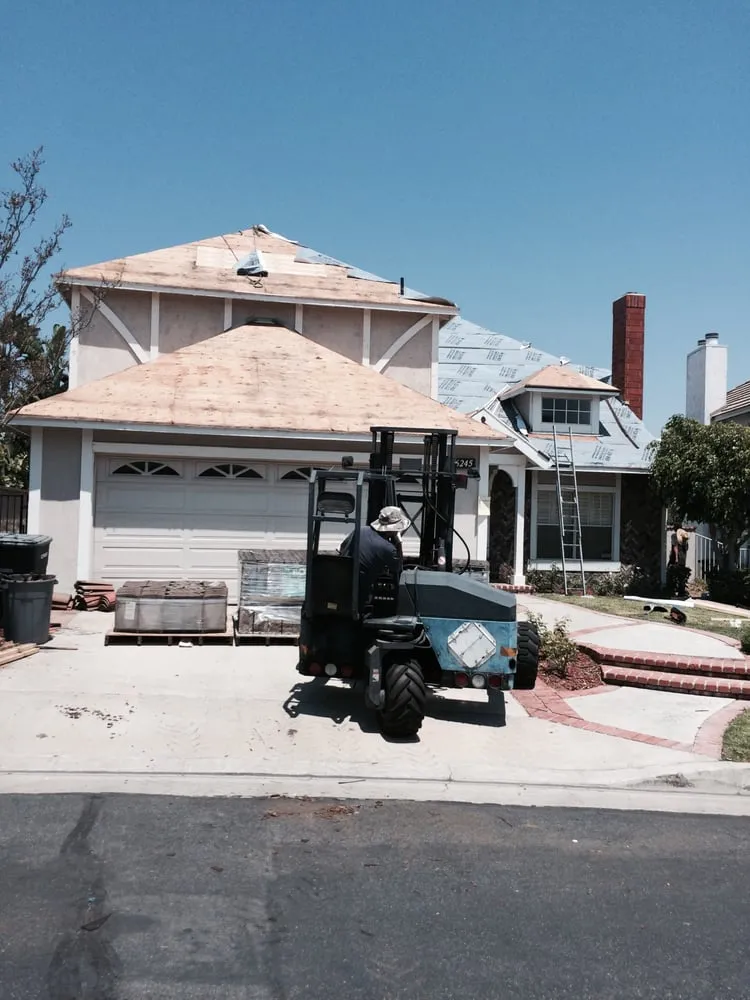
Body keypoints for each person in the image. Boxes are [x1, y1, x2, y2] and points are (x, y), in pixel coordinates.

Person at [339, 506, 411, 611]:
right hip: (360, 588)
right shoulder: (388, 548)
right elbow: (398, 568)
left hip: (341, 577)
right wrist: (399, 542)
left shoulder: (360, 530)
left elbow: (342, 547)